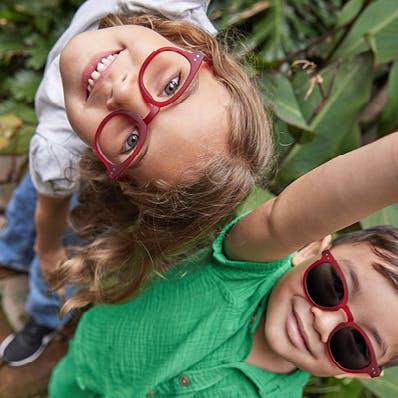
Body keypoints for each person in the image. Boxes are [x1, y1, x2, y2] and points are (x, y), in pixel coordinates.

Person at [0, 1, 272, 366]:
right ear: (199, 51)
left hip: (65, 182)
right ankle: (9, 253)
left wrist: (47, 251)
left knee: (53, 240)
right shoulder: (170, 8)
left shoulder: (60, 155)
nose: (125, 92)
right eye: (172, 84)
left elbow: (50, 218)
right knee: (26, 203)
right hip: (48, 177)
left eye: (131, 142)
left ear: (120, 177)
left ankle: (42, 316)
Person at [49, 131, 398, 397]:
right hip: (85, 367)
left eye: (355, 345)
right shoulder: (245, 267)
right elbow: (338, 194)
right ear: (309, 250)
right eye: (331, 285)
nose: (323, 323)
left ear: (354, 373)